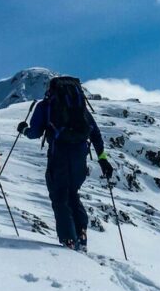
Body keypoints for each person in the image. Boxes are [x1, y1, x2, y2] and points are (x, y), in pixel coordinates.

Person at [17, 76, 113, 252]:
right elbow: (95, 134)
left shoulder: (45, 106)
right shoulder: (80, 108)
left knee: (59, 196)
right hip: (80, 160)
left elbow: (35, 133)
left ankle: (69, 239)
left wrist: (23, 129)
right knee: (72, 193)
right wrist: (103, 159)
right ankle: (81, 232)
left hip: (59, 157)